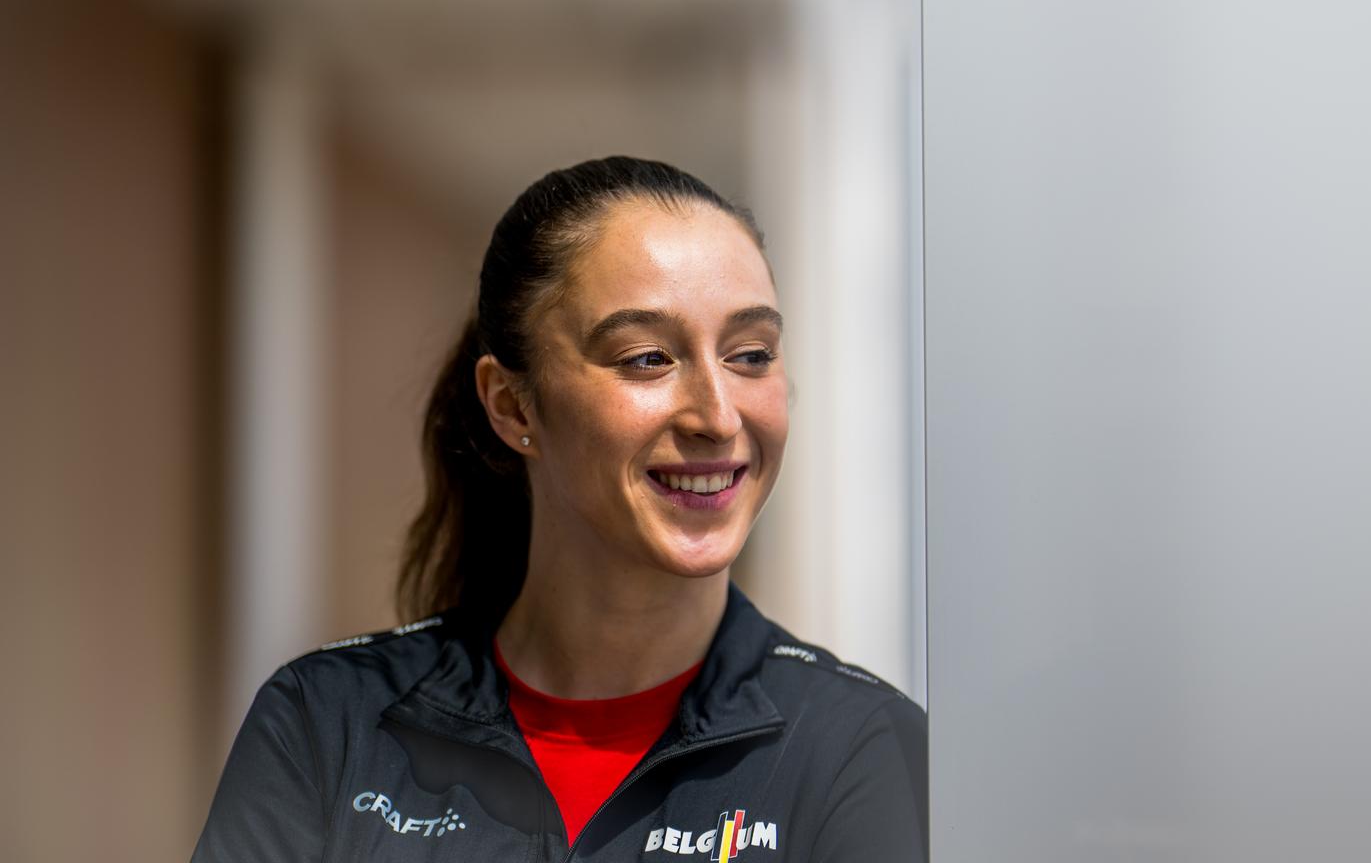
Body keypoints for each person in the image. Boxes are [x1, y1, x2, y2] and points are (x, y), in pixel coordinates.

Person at [192, 156, 927, 862]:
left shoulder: (862, 747)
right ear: (513, 406)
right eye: (648, 358)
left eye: (750, 354)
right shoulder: (327, 725)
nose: (719, 416)